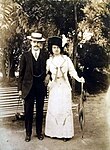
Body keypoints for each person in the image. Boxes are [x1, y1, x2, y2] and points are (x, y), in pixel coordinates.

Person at [44, 36, 85, 142]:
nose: (56, 49)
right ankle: (53, 132)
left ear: (60, 48)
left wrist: (79, 79)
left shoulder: (66, 59)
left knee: (64, 109)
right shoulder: (49, 61)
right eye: (54, 47)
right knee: (54, 109)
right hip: (54, 88)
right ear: (51, 49)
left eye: (57, 47)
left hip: (64, 87)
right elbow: (46, 74)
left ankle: (65, 134)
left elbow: (72, 72)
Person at [18, 32, 49, 142]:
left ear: (40, 43)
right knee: (28, 111)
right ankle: (28, 133)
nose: (36, 44)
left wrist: (48, 75)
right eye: (34, 42)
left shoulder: (45, 55)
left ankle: (39, 132)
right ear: (31, 42)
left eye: (38, 42)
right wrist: (20, 89)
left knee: (40, 111)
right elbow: (21, 74)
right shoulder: (25, 55)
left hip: (40, 87)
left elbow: (48, 69)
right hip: (28, 88)